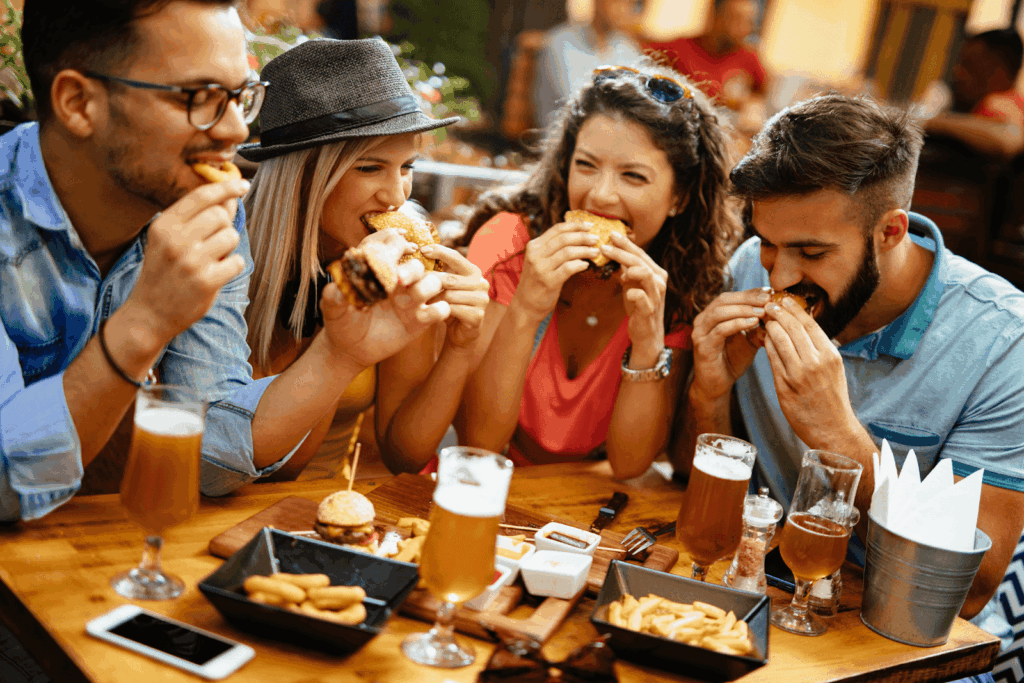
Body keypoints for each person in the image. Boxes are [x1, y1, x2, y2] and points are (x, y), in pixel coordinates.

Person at [0, 0, 448, 522]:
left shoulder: (211, 214)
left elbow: (210, 457)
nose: (236, 131)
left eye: (241, 97)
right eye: (203, 97)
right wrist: (145, 322)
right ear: (78, 102)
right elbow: (5, 489)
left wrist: (340, 354)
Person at [679, 94, 1024, 663]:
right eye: (768, 242)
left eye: (811, 251)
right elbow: (701, 494)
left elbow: (970, 591)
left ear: (890, 232)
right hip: (752, 606)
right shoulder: (746, 268)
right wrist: (708, 395)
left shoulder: (1001, 343)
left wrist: (836, 434)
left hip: (898, 639)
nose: (782, 274)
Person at [457, 62, 740, 478]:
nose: (600, 195)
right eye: (586, 165)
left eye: (633, 176)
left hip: (576, 509)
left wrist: (647, 343)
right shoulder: (510, 244)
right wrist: (527, 308)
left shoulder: (683, 283)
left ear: (679, 196)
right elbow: (478, 444)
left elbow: (629, 465)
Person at [239, 38, 490, 479]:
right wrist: (337, 327)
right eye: (370, 168)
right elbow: (271, 465)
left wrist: (460, 344)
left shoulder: (395, 264)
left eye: (407, 167)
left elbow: (405, 453)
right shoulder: (228, 258)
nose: (397, 197)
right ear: (303, 176)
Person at [645, 0, 767, 129]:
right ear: (715, 16)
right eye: (736, 20)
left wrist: (750, 105)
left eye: (749, 22)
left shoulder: (749, 57)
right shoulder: (678, 49)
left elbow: (761, 97)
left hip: (725, 132)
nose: (744, 29)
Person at [532, 0, 643, 125]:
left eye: (631, 3)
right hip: (564, 133)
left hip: (609, 131)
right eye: (617, 2)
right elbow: (577, 103)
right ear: (598, 3)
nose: (624, 8)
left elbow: (638, 100)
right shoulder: (560, 42)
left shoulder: (629, 49)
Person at [924, 28, 1024, 158]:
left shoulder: (997, 105)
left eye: (969, 65)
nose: (957, 73)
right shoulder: (1016, 103)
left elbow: (1011, 137)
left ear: (999, 73)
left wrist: (928, 123)